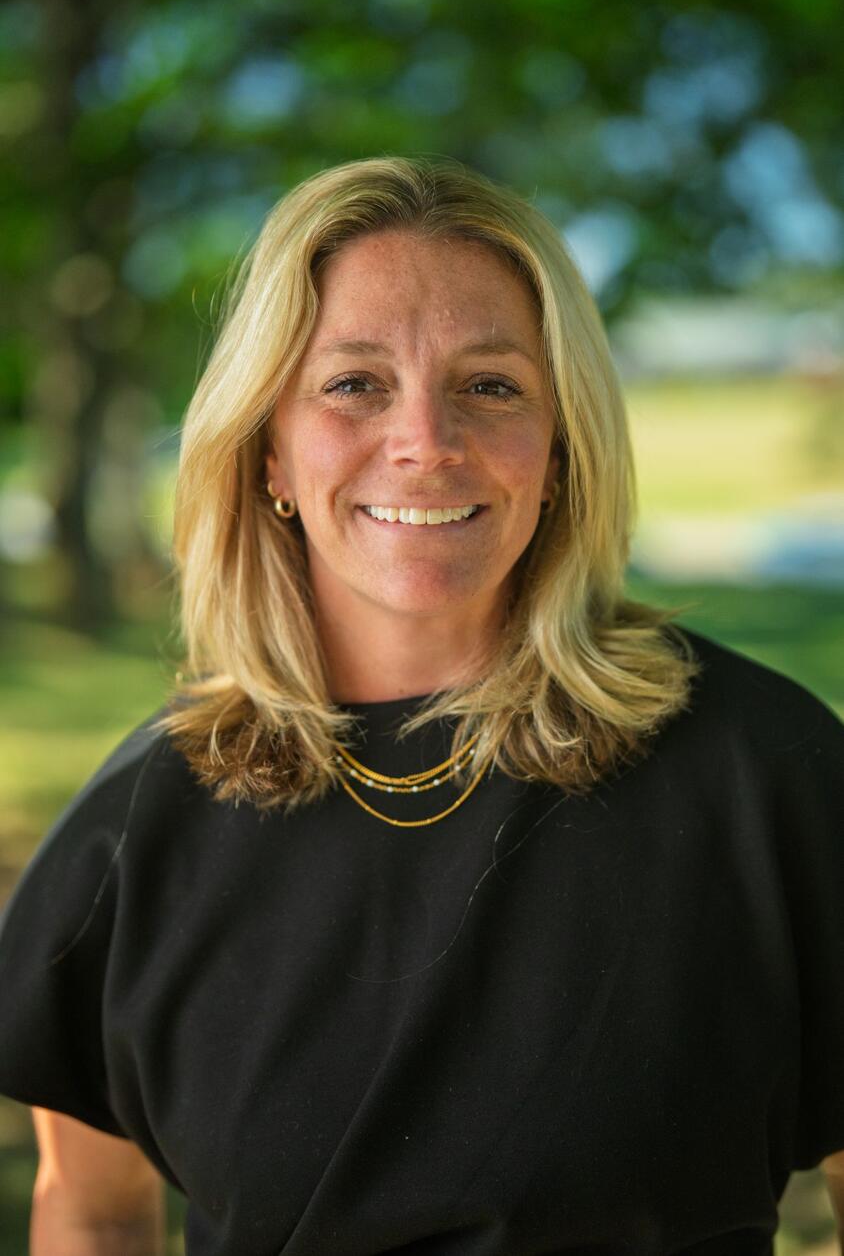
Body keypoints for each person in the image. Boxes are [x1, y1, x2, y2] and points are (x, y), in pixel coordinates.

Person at [0, 155, 842, 1256]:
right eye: (354, 383)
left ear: (560, 452)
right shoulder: (138, 826)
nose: (425, 442)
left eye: (490, 385)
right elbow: (96, 1209)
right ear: (268, 453)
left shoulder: (767, 775)